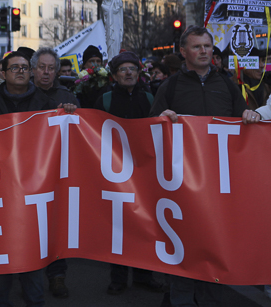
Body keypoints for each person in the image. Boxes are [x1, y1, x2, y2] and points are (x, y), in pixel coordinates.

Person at [150, 26, 259, 307]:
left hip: (219, 187)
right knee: (184, 252)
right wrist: (161, 118)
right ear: (183, 52)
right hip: (182, 185)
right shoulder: (170, 86)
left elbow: (242, 128)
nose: (203, 51)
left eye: (207, 46)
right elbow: (149, 131)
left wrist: (249, 115)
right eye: (197, 47)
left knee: (213, 249)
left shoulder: (227, 85)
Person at [0, 51, 56, 307]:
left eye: (24, 67)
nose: (21, 71)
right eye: (15, 68)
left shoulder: (46, 104)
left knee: (31, 255)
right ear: (2, 73)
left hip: (34, 192)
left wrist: (68, 115)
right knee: (2, 257)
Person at [93, 51, 164, 295]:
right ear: (114, 75)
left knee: (146, 224)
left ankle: (145, 274)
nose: (128, 73)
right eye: (122, 70)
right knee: (119, 227)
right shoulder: (105, 98)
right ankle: (119, 278)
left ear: (138, 73)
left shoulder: (148, 96)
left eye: (132, 69)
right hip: (116, 171)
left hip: (145, 170)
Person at [28, 47, 77, 298]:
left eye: (51, 68)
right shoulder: (22, 95)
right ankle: (30, 272)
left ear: (56, 71)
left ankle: (58, 276)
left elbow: (82, 133)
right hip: (27, 172)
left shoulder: (68, 96)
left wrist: (73, 113)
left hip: (58, 171)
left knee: (57, 224)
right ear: (33, 69)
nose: (46, 72)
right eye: (42, 67)